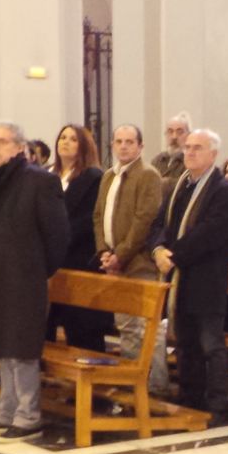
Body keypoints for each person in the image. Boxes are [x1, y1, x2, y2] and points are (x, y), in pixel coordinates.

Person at [0, 121, 70, 440]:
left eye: (2, 141)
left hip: (25, 278)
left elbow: (58, 234)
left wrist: (37, 269)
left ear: (19, 147)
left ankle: (28, 415)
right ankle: (7, 411)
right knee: (1, 346)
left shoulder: (40, 181)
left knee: (22, 348)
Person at [151, 129, 228, 417]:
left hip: (206, 279)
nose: (189, 152)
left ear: (213, 154)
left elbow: (210, 233)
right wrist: (158, 249)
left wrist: (173, 256)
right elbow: (160, 223)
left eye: (197, 148)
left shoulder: (223, 190)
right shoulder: (179, 185)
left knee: (210, 344)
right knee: (185, 341)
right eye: (188, 147)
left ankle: (216, 402)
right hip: (180, 278)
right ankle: (190, 396)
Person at [95, 125, 164, 362]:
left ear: (140, 146)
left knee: (147, 329)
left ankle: (155, 381)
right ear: (112, 145)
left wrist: (120, 255)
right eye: (119, 141)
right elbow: (98, 216)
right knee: (126, 327)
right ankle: (130, 378)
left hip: (139, 263)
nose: (123, 146)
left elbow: (144, 220)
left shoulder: (148, 175)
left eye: (129, 142)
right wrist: (103, 251)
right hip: (115, 262)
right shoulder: (108, 175)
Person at [46, 124, 108, 353]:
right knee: (46, 325)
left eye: (73, 139)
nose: (66, 142)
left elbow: (89, 218)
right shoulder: (47, 175)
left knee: (81, 327)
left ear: (84, 145)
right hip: (51, 261)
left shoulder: (92, 177)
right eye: (63, 137)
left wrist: (56, 237)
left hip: (79, 258)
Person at [152, 112, 192, 194]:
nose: (174, 137)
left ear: (189, 135)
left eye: (179, 132)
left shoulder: (191, 160)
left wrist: (165, 183)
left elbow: (187, 186)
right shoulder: (158, 160)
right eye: (170, 132)